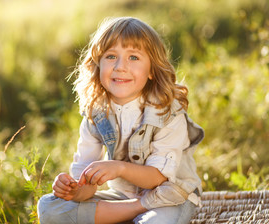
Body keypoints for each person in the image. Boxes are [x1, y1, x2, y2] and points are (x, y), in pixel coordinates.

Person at [37, 17, 204, 224]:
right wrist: (73, 190)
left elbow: (158, 177)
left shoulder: (167, 112)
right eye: (111, 56)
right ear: (97, 65)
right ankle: (135, 210)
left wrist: (119, 168)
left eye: (133, 57)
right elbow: (86, 187)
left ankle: (128, 215)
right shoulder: (97, 113)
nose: (120, 67)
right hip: (123, 198)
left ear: (152, 69)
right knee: (49, 207)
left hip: (169, 197)